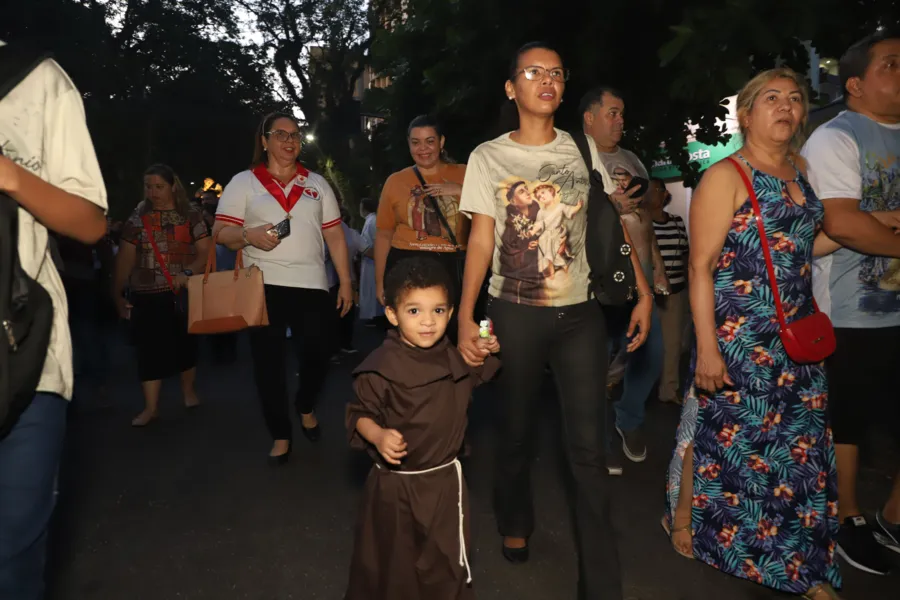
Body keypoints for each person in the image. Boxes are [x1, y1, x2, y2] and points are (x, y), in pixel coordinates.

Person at [456, 42, 653, 599]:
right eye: (533, 72)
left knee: (588, 452)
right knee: (515, 432)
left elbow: (606, 228)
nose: (548, 80)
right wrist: (467, 316)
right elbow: (480, 239)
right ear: (511, 87)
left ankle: (601, 584)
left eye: (557, 73)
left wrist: (640, 289)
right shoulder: (487, 157)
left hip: (579, 317)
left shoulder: (582, 148)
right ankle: (514, 520)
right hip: (514, 314)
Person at [664, 68, 842, 600]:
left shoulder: (800, 169)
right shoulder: (726, 175)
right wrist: (709, 352)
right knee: (735, 446)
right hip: (742, 336)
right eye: (771, 98)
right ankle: (698, 526)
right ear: (746, 114)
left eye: (794, 98)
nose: (785, 106)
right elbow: (700, 267)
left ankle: (803, 567)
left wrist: (872, 234)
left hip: (796, 335)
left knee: (800, 454)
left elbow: (798, 247)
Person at [0, 45, 108, 599]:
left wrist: (9, 175)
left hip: (24, 357)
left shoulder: (36, 82)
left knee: (12, 559)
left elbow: (91, 222)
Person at [344, 257, 500, 600]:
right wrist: (379, 435)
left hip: (444, 484)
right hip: (396, 490)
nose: (428, 321)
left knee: (446, 564)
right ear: (392, 314)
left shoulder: (452, 356)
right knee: (395, 569)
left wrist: (484, 352)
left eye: (439, 310)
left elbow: (478, 375)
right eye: (414, 311)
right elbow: (359, 415)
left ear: (451, 312)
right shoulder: (381, 368)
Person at [803, 30, 900, 576]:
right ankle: (847, 515)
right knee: (850, 420)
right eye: (892, 64)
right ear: (857, 84)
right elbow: (842, 224)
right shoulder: (835, 138)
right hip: (851, 308)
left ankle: (894, 513)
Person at [213, 111, 353, 464]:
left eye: (295, 135)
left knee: (320, 353)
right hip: (262, 284)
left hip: (312, 284)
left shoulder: (317, 184)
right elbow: (220, 233)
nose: (290, 141)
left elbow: (335, 234)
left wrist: (346, 282)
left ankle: (305, 404)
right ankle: (280, 432)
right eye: (281, 134)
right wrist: (248, 235)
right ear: (264, 141)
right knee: (268, 365)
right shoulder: (244, 182)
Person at [581, 86, 669, 465]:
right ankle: (597, 438)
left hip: (640, 273)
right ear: (590, 116)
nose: (620, 120)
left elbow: (646, 218)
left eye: (621, 113)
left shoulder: (631, 158)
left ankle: (627, 418)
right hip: (597, 274)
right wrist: (605, 206)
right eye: (612, 113)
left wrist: (658, 269)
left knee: (652, 353)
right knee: (594, 362)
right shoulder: (574, 157)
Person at [113, 164, 212, 427]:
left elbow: (205, 251)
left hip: (181, 292)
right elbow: (125, 257)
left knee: (185, 345)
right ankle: (151, 407)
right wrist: (118, 292)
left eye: (159, 186)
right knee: (148, 352)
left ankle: (188, 390)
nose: (153, 192)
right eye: (148, 186)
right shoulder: (138, 216)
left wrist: (189, 272)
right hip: (145, 294)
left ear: (172, 187)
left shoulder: (190, 215)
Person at [374, 115, 469, 342]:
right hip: (406, 261)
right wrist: (380, 282)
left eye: (429, 141)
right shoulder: (396, 181)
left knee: (455, 335)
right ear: (408, 144)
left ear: (441, 142)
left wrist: (459, 191)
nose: (423, 148)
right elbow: (384, 233)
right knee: (411, 336)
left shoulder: (466, 174)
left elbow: (496, 211)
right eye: (415, 142)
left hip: (451, 264)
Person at [647, 178, 690, 405]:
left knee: (673, 344)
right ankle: (612, 379)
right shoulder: (641, 222)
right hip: (649, 293)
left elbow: (684, 253)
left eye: (652, 190)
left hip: (675, 290)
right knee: (639, 342)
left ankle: (668, 390)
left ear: (664, 194)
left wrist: (688, 283)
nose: (648, 194)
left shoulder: (676, 222)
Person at [326, 207, 363, 357]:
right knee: (345, 313)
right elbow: (365, 249)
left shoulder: (337, 230)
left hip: (331, 280)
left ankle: (336, 347)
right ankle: (342, 345)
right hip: (342, 279)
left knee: (336, 315)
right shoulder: (350, 231)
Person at [358, 197, 384, 325]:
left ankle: (375, 317)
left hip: (372, 261)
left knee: (371, 289)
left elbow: (366, 245)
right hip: (373, 260)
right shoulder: (374, 219)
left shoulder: (371, 221)